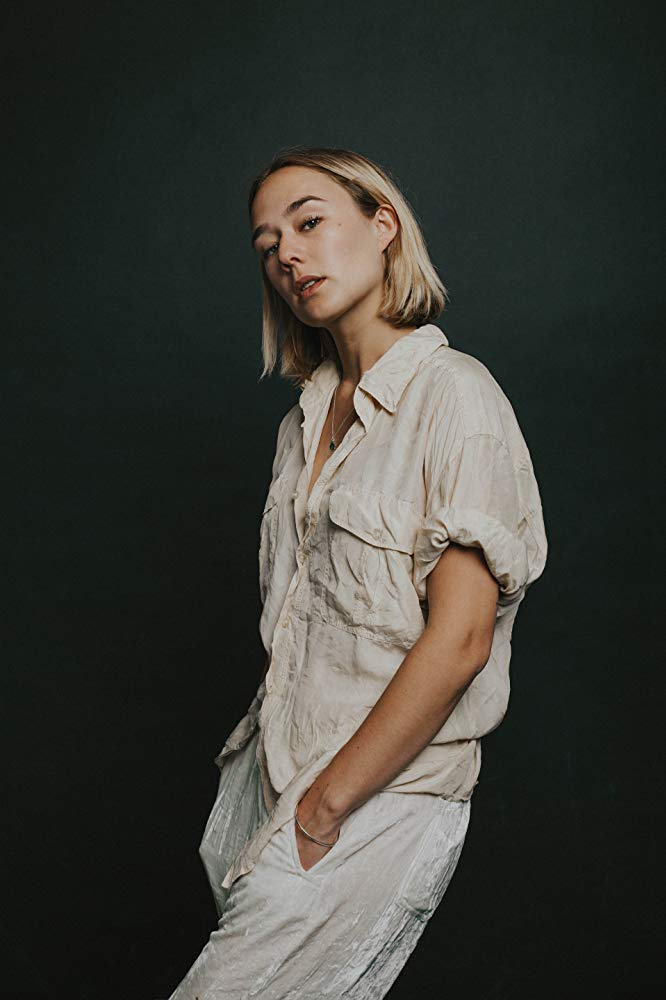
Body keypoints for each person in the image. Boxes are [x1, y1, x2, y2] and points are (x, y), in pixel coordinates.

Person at [166, 146, 548, 999]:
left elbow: (462, 639)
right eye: (269, 244)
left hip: (370, 798)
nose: (289, 255)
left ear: (383, 226)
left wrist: (327, 807)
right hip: (266, 786)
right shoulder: (303, 421)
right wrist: (275, 805)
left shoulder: (454, 395)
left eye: (309, 222)